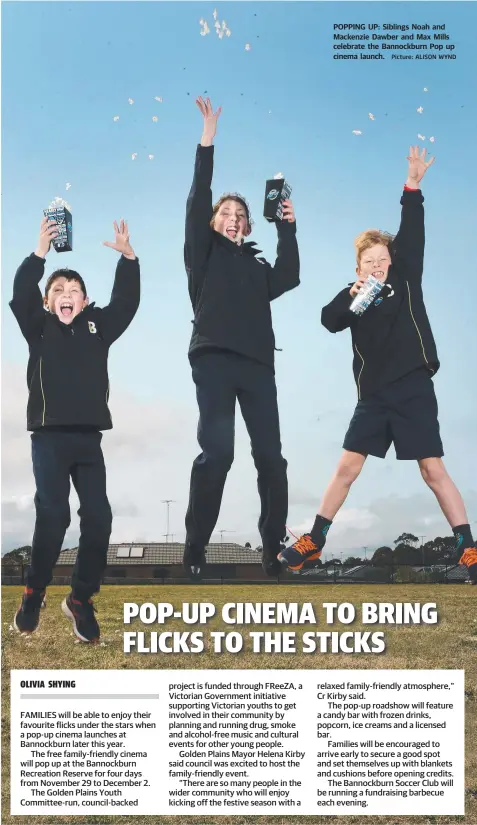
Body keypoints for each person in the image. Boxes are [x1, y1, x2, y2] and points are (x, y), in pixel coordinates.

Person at [279, 146, 477, 583]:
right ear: (358, 267)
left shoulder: (405, 278)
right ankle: (314, 540)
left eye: (384, 260)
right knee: (346, 469)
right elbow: (329, 322)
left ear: (393, 262)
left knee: (432, 469)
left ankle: (467, 549)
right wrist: (352, 293)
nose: (378, 265)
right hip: (373, 397)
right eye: (370, 262)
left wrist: (413, 186)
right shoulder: (352, 298)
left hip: (412, 386)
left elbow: (413, 229)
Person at [183, 97, 300, 579]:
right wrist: (207, 141)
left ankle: (273, 550)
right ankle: (195, 549)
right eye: (225, 212)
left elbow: (288, 276)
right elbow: (197, 198)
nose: (232, 217)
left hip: (257, 365)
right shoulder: (202, 252)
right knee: (219, 453)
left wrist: (287, 229)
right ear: (214, 222)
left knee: (271, 457)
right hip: (212, 358)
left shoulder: (257, 266)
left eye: (240, 214)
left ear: (248, 226)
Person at [10, 217, 140, 641]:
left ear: (85, 301)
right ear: (48, 302)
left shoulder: (97, 327)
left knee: (98, 516)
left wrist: (128, 258)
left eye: (74, 291)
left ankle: (80, 599)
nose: (66, 295)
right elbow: (18, 294)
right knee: (54, 513)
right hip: (48, 437)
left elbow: (126, 304)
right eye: (58, 291)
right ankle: (34, 591)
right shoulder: (38, 328)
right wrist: (40, 253)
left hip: (88, 439)